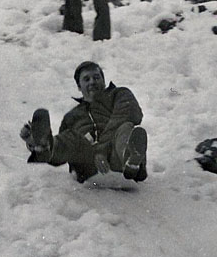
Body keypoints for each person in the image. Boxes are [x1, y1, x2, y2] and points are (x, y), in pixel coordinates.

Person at [20, 61, 148, 183]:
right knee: (72, 137)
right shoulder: (71, 116)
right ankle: (43, 146)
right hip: (88, 165)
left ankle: (131, 161)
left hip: (117, 158)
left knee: (126, 127)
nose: (92, 81)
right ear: (79, 86)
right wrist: (35, 143)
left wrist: (101, 150)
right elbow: (64, 149)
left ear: (103, 81)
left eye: (96, 77)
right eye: (86, 79)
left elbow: (129, 114)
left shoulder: (119, 94)